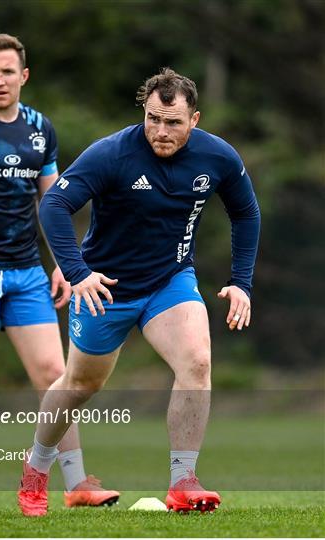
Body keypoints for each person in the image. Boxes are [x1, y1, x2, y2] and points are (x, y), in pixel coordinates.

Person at [17, 67, 261, 516]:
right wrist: (77, 273)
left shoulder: (218, 158)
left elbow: (246, 213)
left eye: (173, 122)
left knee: (198, 362)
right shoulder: (112, 153)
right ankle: (35, 470)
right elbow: (54, 204)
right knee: (80, 384)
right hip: (104, 289)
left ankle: (183, 480)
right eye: (153, 119)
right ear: (143, 113)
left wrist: (241, 282)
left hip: (170, 280)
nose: (161, 131)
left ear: (195, 119)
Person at [0, 33, 119, 511]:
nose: (0, 80)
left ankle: (76, 485)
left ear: (23, 76)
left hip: (28, 272)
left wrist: (64, 266)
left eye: (8, 71)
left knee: (56, 373)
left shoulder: (40, 130)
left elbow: (54, 202)